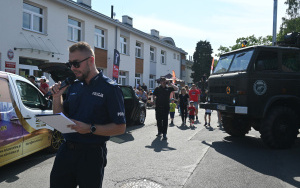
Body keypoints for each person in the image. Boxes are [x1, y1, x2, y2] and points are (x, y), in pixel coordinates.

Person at [49, 41, 126, 188]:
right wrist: (57, 97)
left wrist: (90, 128)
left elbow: (120, 127)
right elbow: (60, 115)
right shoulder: (74, 86)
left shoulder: (110, 89)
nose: (72, 68)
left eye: (76, 63)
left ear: (91, 60)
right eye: (70, 63)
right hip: (65, 152)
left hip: (91, 154)